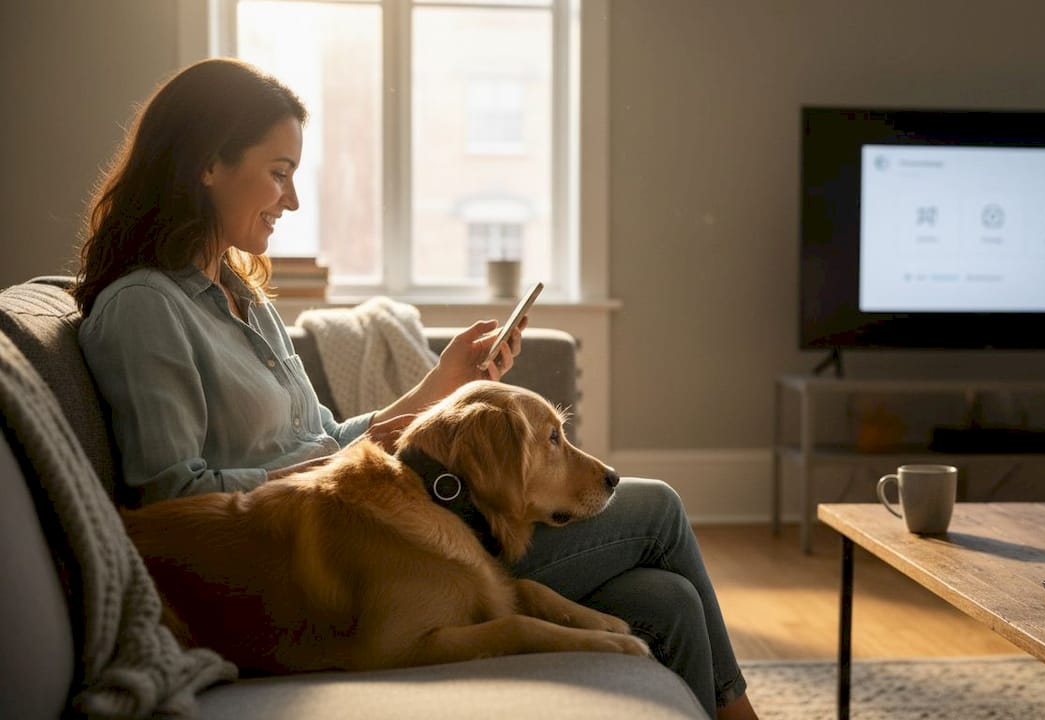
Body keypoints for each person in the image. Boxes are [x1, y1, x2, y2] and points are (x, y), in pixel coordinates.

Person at [73, 58, 759, 720]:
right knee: (661, 510)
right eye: (278, 174)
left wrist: (444, 384)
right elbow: (166, 498)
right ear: (207, 164)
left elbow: (332, 438)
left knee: (665, 600)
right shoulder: (146, 309)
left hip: (364, 516)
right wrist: (309, 475)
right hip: (338, 545)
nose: (294, 199)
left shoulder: (243, 296)